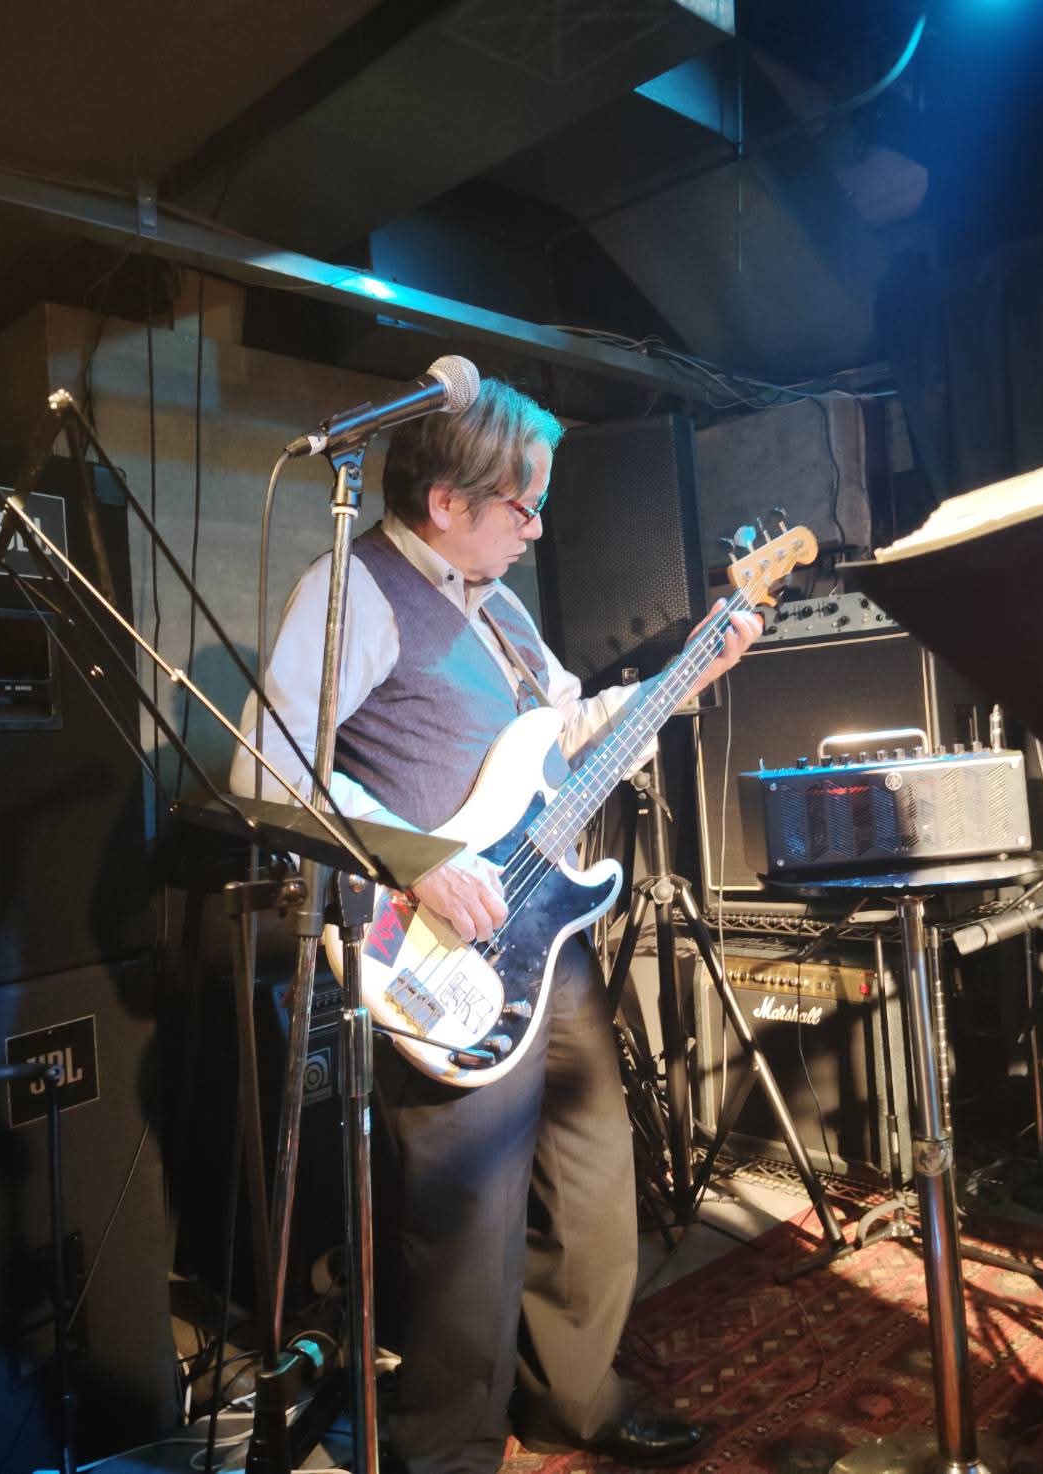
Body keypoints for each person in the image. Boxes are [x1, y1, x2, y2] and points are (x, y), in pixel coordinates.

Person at [230, 380, 760, 1474]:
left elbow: (571, 736)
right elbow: (267, 764)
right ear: (445, 502)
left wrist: (685, 674)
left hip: (546, 936)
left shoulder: (503, 609)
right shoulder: (355, 588)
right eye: (524, 507)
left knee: (592, 1174)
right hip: (439, 961)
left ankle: (574, 1398)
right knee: (466, 1229)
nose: (537, 530)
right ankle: (447, 1452)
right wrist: (420, 863)